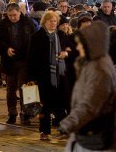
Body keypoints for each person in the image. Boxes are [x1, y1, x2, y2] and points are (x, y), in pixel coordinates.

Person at [58, 21, 116, 151]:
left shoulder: (100, 70)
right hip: (89, 131)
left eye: (80, 44)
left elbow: (92, 103)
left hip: (99, 133)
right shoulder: (89, 64)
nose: (77, 48)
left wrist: (69, 122)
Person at [28, 10, 72, 141]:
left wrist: (66, 53)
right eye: (50, 21)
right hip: (44, 76)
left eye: (54, 21)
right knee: (45, 106)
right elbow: (31, 57)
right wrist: (31, 78)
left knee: (61, 104)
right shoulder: (37, 36)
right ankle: (44, 131)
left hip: (60, 76)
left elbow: (71, 49)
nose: (53, 23)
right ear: (44, 22)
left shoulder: (62, 35)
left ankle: (64, 129)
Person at [0, 1, 36, 125]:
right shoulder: (3, 25)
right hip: (9, 62)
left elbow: (34, 39)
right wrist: (6, 49)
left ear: (19, 12)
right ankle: (12, 113)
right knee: (10, 90)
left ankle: (26, 114)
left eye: (15, 15)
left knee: (24, 89)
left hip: (25, 61)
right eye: (10, 16)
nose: (13, 18)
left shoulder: (28, 23)